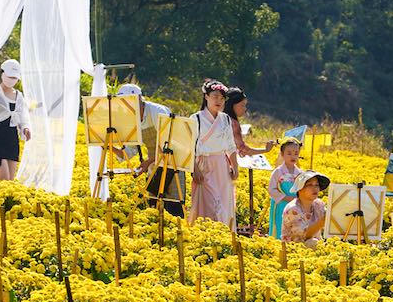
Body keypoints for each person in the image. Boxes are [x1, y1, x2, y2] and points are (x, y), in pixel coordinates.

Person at [115, 84, 186, 218]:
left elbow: (170, 144)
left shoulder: (157, 111)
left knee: (174, 205)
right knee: (153, 206)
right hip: (153, 166)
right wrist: (108, 147)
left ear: (139, 99)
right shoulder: (131, 118)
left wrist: (147, 163)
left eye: (129, 101)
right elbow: (128, 152)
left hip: (172, 162)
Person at [188, 80, 238, 228]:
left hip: (222, 165)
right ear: (206, 97)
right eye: (215, 96)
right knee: (208, 203)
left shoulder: (225, 119)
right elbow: (189, 147)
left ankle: (225, 233)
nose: (219, 101)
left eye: (222, 98)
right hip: (204, 164)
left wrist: (235, 166)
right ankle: (205, 234)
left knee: (224, 203)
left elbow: (230, 145)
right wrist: (195, 169)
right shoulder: (196, 118)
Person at [281, 170, 330, 248]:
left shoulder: (318, 204)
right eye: (309, 185)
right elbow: (304, 235)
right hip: (294, 249)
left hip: (317, 246)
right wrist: (322, 222)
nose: (315, 188)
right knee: (313, 242)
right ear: (299, 189)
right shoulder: (293, 209)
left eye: (317, 185)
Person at [223, 87, 275, 157]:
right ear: (232, 104)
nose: (245, 109)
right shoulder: (233, 124)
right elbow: (243, 150)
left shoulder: (218, 118)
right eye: (242, 105)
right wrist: (266, 150)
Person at [268, 137, 303, 239]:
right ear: (282, 154)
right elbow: (271, 189)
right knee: (280, 226)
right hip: (281, 205)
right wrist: (285, 197)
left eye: (296, 153)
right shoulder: (278, 172)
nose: (293, 156)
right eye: (289, 153)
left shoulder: (300, 173)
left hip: (295, 206)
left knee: (294, 228)